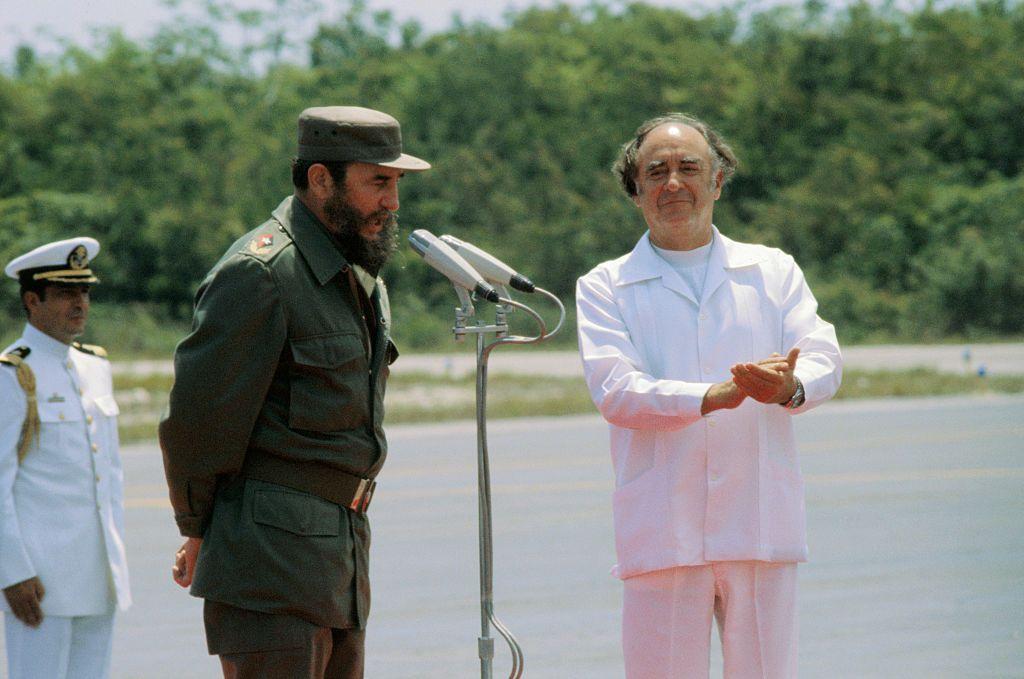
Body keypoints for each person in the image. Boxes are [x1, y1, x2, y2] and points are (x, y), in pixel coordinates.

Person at [159, 106, 430, 678]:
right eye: (378, 182)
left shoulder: (356, 276)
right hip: (269, 567)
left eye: (396, 184)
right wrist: (197, 528)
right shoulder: (261, 273)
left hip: (337, 559)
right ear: (321, 180)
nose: (392, 202)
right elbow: (200, 424)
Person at [575, 113, 842, 678]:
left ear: (717, 181)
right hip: (662, 530)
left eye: (689, 168)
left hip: (758, 523)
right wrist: (710, 396)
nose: (673, 183)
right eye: (656, 172)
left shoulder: (772, 270)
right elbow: (616, 390)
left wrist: (790, 388)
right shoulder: (605, 285)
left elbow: (823, 357)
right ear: (635, 190)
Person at [1, 237, 131, 679]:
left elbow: (110, 477)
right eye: (64, 293)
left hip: (98, 573)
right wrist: (12, 572)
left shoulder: (95, 367)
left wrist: (115, 562)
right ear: (32, 300)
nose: (79, 303)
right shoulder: (13, 374)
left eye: (84, 291)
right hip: (40, 579)